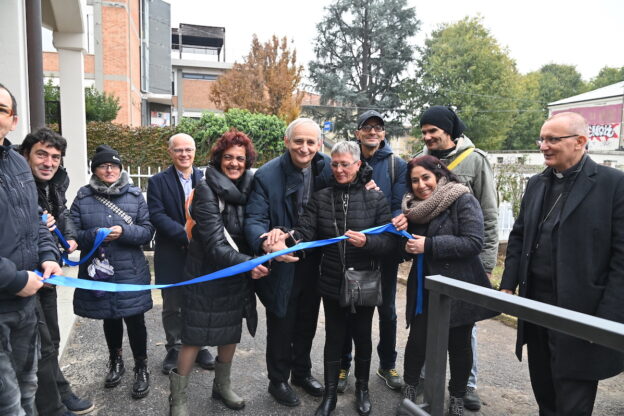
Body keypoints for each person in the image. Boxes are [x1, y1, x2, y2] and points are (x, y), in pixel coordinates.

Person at [500, 112, 624, 416]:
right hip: (536, 308)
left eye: (553, 139)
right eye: (542, 139)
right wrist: (506, 285)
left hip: (582, 313)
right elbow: (518, 237)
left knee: (572, 403)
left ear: (580, 142)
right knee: (545, 394)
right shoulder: (536, 184)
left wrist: (605, 321)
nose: (544, 146)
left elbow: (622, 259)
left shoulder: (613, 184)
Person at [267, 140, 395, 416]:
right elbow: (305, 231)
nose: (338, 170)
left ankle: (362, 389)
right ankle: (329, 396)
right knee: (334, 338)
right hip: (332, 281)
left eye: (345, 164)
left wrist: (367, 244)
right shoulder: (322, 197)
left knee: (362, 336)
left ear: (358, 165)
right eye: (334, 164)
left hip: (365, 280)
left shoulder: (376, 198)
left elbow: (389, 244)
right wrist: (284, 238)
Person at [169, 129, 269, 415]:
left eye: (240, 158)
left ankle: (221, 386)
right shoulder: (205, 190)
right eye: (228, 157)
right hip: (205, 274)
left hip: (234, 274)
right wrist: (249, 264)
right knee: (194, 336)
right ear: (218, 159)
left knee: (229, 333)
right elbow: (213, 244)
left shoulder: (250, 188)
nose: (234, 163)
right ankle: (178, 398)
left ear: (247, 161)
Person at [415, 105, 498, 410]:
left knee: (465, 327)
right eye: (424, 132)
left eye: (433, 131)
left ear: (448, 131)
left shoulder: (475, 161)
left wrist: (487, 264)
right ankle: (427, 375)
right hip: (433, 258)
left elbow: (489, 213)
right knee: (428, 322)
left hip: (464, 259)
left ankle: (467, 386)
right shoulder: (424, 160)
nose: (428, 137)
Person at [245, 118, 332, 407]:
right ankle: (278, 379)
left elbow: (353, 177)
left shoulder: (327, 167)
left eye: (310, 142)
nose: (304, 148)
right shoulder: (267, 175)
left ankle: (302, 373)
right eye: (298, 141)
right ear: (286, 142)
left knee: (307, 319)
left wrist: (366, 179)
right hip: (281, 261)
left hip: (314, 260)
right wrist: (265, 241)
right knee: (282, 320)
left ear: (319, 144)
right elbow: (255, 219)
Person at [70, 145, 155, 399]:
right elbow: (72, 233)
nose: (109, 169)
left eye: (114, 165)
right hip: (100, 271)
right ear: (94, 169)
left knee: (136, 320)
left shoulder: (135, 195)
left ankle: (141, 366)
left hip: (131, 270)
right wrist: (93, 236)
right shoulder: (83, 196)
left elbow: (147, 231)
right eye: (104, 165)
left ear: (120, 169)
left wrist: (125, 232)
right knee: (110, 317)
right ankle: (115, 361)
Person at [20, 128, 94, 415]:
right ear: (25, 155)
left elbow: (63, 215)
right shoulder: (20, 185)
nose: (49, 162)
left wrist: (70, 236)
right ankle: (53, 405)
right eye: (41, 154)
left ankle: (59, 393)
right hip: (24, 278)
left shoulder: (55, 184)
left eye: (55, 157)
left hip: (48, 274)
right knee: (40, 345)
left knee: (51, 339)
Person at [0, 83, 62, 415]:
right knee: (8, 403)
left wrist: (48, 256)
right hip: (6, 297)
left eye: (0, 109)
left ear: (13, 120)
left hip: (25, 306)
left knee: (28, 388)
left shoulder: (16, 164)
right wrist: (14, 279)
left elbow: (36, 220)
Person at [338, 110, 408, 393]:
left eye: (377, 127)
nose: (372, 132)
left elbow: (398, 204)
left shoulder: (396, 164)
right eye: (366, 127)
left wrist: (394, 215)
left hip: (384, 249)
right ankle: (344, 364)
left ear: (383, 133)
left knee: (387, 310)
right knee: (348, 308)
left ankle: (387, 364)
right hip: (352, 247)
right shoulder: (347, 158)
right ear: (357, 132)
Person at [147, 133, 215, 375]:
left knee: (200, 302)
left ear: (195, 151)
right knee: (173, 305)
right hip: (171, 253)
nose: (184, 154)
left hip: (202, 254)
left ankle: (201, 346)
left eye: (189, 149)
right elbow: (157, 215)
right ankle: (175, 348)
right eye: (179, 150)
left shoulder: (207, 179)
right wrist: (185, 235)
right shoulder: (157, 182)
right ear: (170, 152)